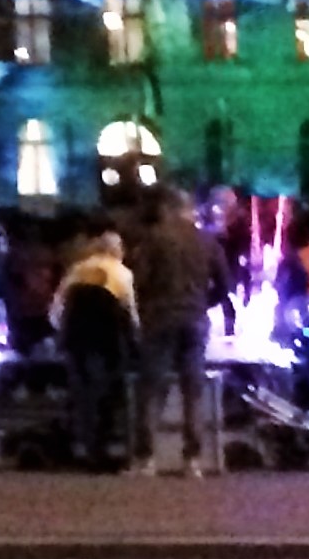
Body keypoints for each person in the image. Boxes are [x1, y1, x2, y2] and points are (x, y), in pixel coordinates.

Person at [129, 188, 229, 475]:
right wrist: (204, 303)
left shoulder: (154, 238)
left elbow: (140, 280)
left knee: (153, 388)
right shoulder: (207, 241)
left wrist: (147, 304)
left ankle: (147, 458)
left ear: (167, 208)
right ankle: (193, 460)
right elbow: (224, 284)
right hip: (195, 318)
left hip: (160, 317)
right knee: (193, 389)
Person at [55, 229, 138, 474]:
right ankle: (101, 450)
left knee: (81, 396)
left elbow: (57, 308)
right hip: (106, 343)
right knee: (103, 395)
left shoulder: (77, 270)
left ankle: (84, 447)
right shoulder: (121, 273)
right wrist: (135, 339)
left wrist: (62, 335)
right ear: (118, 250)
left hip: (76, 341)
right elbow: (130, 310)